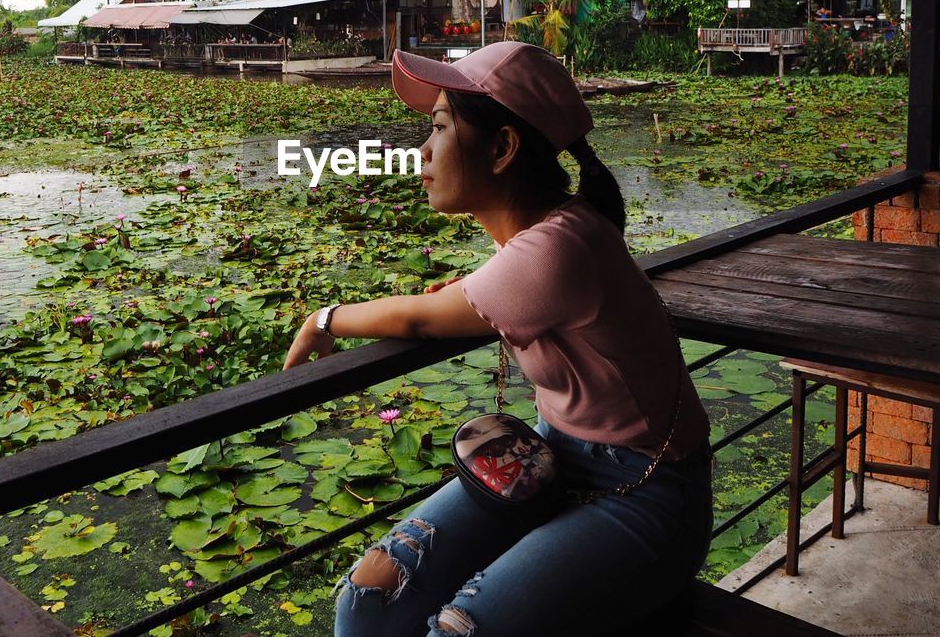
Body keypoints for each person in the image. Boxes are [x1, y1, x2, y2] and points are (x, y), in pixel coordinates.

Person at [283, 41, 713, 637]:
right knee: (368, 596)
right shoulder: (547, 235)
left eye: (438, 127)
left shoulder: (556, 248)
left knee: (460, 628)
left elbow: (421, 319)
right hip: (553, 454)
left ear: (504, 148)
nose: (423, 151)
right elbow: (470, 297)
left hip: (647, 490)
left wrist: (322, 318)